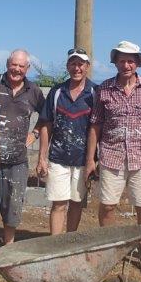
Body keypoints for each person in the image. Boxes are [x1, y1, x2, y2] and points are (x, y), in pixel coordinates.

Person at [84, 40, 141, 276]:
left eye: (130, 61)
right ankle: (110, 250)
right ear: (115, 63)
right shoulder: (104, 89)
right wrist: (91, 159)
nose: (126, 65)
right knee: (108, 205)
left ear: (137, 63)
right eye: (122, 60)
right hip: (112, 156)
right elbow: (96, 125)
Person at [0, 49, 44, 255]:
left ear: (27, 68)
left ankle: (8, 248)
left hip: (18, 161)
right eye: (14, 64)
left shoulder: (33, 91)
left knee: (13, 207)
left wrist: (35, 133)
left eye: (21, 66)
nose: (17, 69)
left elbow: (47, 116)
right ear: (7, 64)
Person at [36, 48, 96, 234]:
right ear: (67, 66)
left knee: (77, 203)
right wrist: (42, 157)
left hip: (83, 160)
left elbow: (97, 128)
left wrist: (92, 160)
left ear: (87, 66)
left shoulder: (95, 92)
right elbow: (46, 125)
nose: (77, 68)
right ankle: (55, 244)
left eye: (80, 64)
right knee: (58, 204)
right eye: (73, 63)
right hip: (57, 158)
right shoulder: (57, 92)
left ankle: (69, 242)